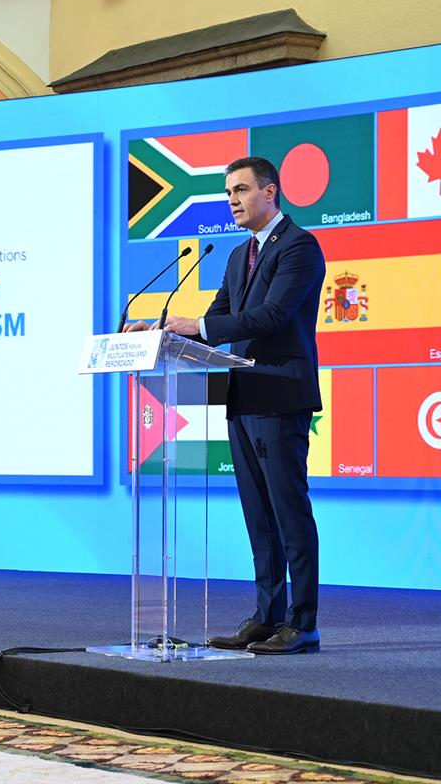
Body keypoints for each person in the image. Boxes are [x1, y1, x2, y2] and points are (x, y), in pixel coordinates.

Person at [125, 156, 325, 654]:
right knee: (258, 515)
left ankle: (303, 624)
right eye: (227, 192)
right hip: (242, 397)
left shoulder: (299, 247)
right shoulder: (240, 257)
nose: (232, 200)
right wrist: (161, 329)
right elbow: (214, 316)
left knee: (288, 512)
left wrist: (200, 327)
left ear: (270, 192)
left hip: (280, 395)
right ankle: (266, 616)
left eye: (240, 189)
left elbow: (273, 316)